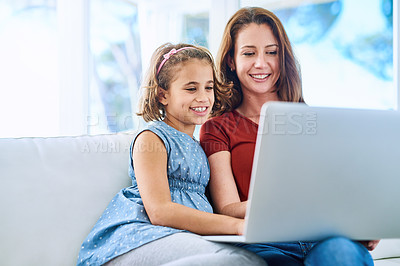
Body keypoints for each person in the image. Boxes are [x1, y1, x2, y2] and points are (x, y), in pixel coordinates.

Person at [200, 7, 379, 266]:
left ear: (282, 57)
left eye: (271, 52)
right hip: (266, 243)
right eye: (249, 53)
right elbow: (228, 207)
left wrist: (359, 220)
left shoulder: (311, 120)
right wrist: (288, 206)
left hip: (324, 238)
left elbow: (338, 191)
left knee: (341, 254)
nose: (261, 63)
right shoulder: (218, 127)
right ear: (231, 60)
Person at [77, 43, 266, 266]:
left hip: (180, 239)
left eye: (208, 87)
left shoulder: (198, 147)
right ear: (163, 95)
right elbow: (160, 212)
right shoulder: (152, 137)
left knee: (253, 259)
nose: (203, 97)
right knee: (241, 261)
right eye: (191, 88)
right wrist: (235, 226)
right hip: (136, 239)